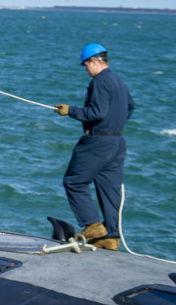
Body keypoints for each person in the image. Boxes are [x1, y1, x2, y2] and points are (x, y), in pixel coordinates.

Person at [53, 43, 134, 251]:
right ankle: (111, 237)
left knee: (73, 181)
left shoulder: (99, 81)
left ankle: (93, 226)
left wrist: (70, 110)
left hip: (98, 142)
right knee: (109, 190)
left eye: (86, 64)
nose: (86, 69)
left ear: (95, 61)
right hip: (117, 142)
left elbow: (96, 112)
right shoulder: (119, 81)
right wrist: (114, 123)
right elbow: (130, 107)